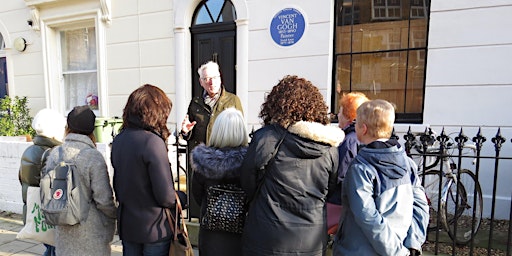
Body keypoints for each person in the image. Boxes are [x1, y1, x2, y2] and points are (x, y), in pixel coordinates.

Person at [240, 75, 345, 256]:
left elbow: (248, 182)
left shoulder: (267, 138)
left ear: (276, 105)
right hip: (310, 239)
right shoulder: (330, 149)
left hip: (266, 235)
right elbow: (330, 188)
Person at [332, 99, 429, 256]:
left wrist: (396, 252)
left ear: (363, 129)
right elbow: (420, 205)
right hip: (399, 246)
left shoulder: (360, 167)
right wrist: (412, 244)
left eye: (356, 122)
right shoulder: (408, 163)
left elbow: (367, 216)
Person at [111, 84, 176, 256]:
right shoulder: (152, 142)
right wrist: (181, 198)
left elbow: (118, 185)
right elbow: (166, 197)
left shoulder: (119, 140)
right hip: (154, 228)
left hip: (128, 225)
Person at [43, 105, 117, 255]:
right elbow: (103, 200)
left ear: (68, 127)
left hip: (63, 230)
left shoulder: (55, 154)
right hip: (91, 233)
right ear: (92, 130)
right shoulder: (92, 156)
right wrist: (114, 216)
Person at [180, 60, 244, 217]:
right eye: (206, 78)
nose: (211, 82)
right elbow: (189, 134)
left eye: (214, 77)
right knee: (202, 205)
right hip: (203, 165)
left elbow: (239, 129)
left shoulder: (232, 100)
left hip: (225, 164)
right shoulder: (195, 103)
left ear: (220, 78)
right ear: (201, 82)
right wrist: (185, 132)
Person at [191, 107, 248, 256]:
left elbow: (197, 194)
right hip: (241, 232)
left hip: (211, 233)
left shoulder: (203, 161)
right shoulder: (250, 162)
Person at [19, 108, 66, 256]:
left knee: (50, 247)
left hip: (34, 211)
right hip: (48, 214)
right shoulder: (53, 153)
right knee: (55, 249)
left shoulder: (29, 151)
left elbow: (22, 179)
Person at [327, 92, 369, 205]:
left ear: (348, 116)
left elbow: (340, 175)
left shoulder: (348, 141)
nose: (338, 115)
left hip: (339, 202)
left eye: (340, 112)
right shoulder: (363, 138)